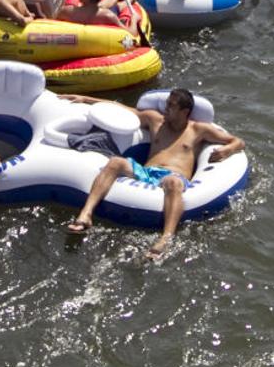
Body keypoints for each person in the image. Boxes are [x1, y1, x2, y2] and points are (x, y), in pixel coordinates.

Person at [64, 87, 244, 259]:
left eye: (171, 106)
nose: (166, 109)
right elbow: (123, 109)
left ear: (185, 111)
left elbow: (237, 141)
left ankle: (166, 237)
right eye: (167, 104)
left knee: (174, 183)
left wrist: (227, 150)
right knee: (115, 162)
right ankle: (86, 214)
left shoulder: (199, 130)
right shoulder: (155, 120)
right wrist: (86, 99)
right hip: (146, 171)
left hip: (172, 176)